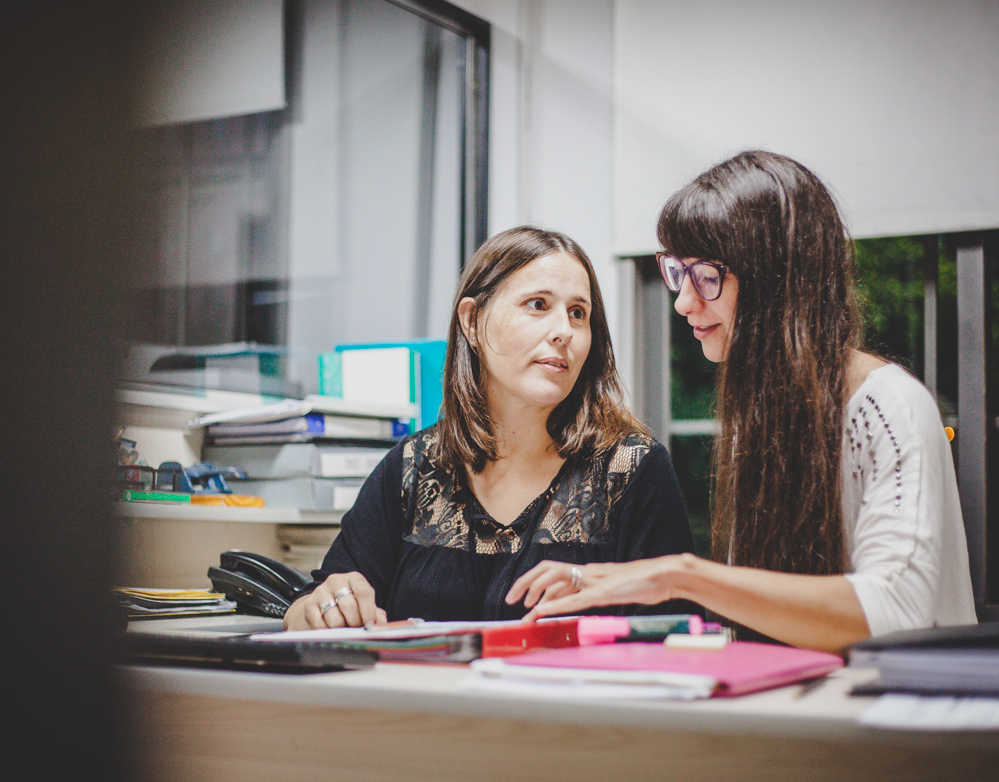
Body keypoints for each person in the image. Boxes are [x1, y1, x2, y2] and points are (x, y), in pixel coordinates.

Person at [507, 151, 977, 653]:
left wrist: (682, 576)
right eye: (676, 272)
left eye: (707, 275)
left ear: (779, 280)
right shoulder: (761, 415)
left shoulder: (890, 405)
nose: (684, 302)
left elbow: (895, 611)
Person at [284, 226, 696, 629]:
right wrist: (319, 608)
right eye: (537, 305)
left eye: (578, 313)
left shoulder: (632, 470)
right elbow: (316, 603)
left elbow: (673, 636)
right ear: (472, 320)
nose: (563, 331)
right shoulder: (411, 467)